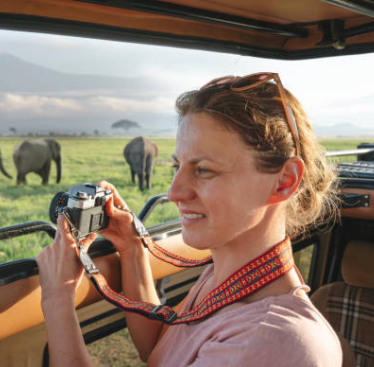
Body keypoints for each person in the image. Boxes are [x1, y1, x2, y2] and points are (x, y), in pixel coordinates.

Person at [36, 73, 343, 366]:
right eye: (177, 166)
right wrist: (132, 247)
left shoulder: (270, 341)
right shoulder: (225, 274)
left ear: (284, 181)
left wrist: (57, 299)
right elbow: (160, 348)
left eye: (204, 170)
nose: (174, 192)